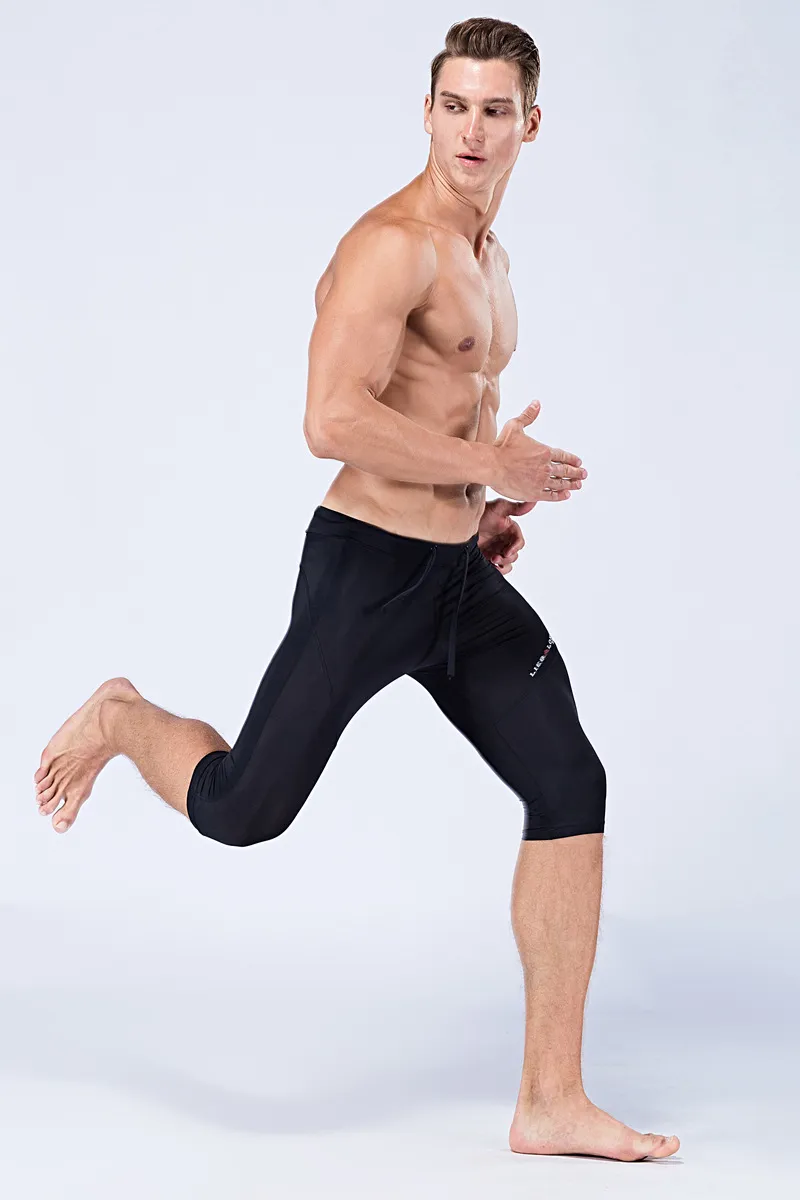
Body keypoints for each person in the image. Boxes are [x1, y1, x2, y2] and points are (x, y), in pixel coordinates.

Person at [33, 17, 679, 1163]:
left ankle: (548, 1100)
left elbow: (441, 413)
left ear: (529, 126)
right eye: (452, 106)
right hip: (365, 574)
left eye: (493, 111)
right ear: (424, 112)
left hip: (452, 578)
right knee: (244, 812)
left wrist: (476, 511)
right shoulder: (393, 247)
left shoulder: (491, 259)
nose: (470, 130)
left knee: (567, 779)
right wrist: (490, 465)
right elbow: (329, 419)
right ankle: (126, 716)